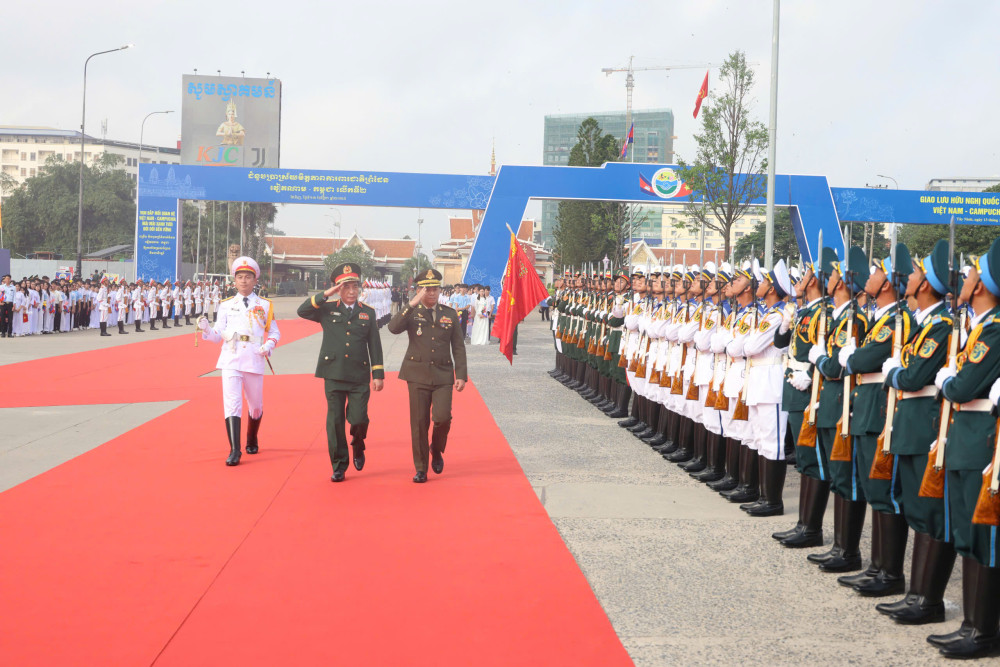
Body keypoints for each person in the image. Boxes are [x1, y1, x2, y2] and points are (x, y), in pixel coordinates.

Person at [296, 262, 385, 483]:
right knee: (335, 422)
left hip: (358, 375)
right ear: (338, 289)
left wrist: (378, 374)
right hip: (333, 373)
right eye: (346, 287)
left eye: (355, 286)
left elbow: (374, 344)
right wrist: (327, 294)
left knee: (358, 419)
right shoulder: (327, 309)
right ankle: (339, 465)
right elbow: (303, 310)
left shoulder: (368, 313)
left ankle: (358, 443)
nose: (352, 291)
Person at [198, 257, 281, 467]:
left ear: (255, 281)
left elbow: (274, 332)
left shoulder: (264, 304)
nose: (244, 281)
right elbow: (218, 335)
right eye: (240, 277)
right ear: (234, 281)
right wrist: (207, 329)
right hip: (231, 357)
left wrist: (268, 345)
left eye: (248, 277)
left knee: (255, 406)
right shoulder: (226, 305)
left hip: (254, 357)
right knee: (232, 404)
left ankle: (252, 437)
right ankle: (235, 450)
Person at [387, 269, 467, 483]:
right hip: (417, 374)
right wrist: (412, 303)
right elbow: (393, 328)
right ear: (420, 291)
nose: (432, 294)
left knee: (442, 418)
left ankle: (437, 449)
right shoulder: (412, 311)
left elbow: (458, 346)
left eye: (435, 289)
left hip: (442, 375)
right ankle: (421, 467)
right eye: (427, 290)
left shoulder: (449, 314)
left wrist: (461, 374)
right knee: (419, 423)